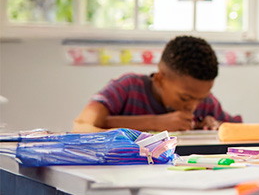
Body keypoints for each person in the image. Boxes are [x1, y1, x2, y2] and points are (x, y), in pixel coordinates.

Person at [73, 36, 242, 132]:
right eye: (185, 98)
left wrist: (218, 127)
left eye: (201, 98)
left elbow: (241, 131)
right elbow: (80, 127)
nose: (193, 106)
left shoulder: (205, 103)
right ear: (160, 79)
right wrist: (155, 123)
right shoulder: (128, 87)